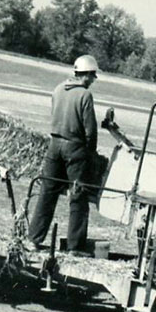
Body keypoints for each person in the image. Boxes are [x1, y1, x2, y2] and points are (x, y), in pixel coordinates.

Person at [28, 54, 99, 253]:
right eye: (92, 76)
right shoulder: (85, 95)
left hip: (54, 145)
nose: (93, 81)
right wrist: (91, 154)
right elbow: (90, 130)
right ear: (85, 75)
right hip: (74, 149)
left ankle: (33, 239)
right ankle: (75, 247)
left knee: (47, 193)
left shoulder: (58, 89)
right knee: (78, 197)